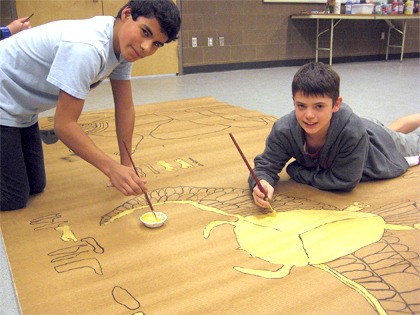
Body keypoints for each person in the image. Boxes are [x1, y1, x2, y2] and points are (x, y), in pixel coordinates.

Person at [0, 0, 181, 211]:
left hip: (21, 108)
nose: (145, 47)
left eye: (157, 44)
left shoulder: (122, 45)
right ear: (126, 14)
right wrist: (111, 168)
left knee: (36, 186)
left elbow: (124, 107)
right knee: (13, 198)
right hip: (4, 100)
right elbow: (65, 125)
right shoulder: (86, 48)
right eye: (145, 32)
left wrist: (126, 163)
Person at [250, 62, 420, 209]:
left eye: (318, 106)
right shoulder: (284, 130)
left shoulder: (351, 132)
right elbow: (264, 166)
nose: (308, 115)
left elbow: (344, 181)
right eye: (301, 105)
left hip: (379, 144)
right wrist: (262, 182)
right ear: (293, 101)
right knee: (392, 129)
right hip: (365, 129)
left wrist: (296, 171)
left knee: (411, 142)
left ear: (336, 104)